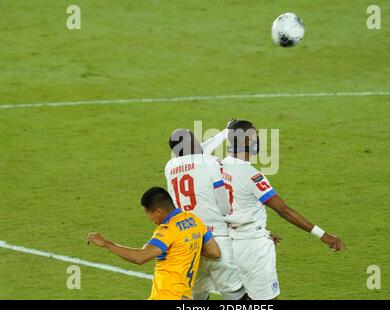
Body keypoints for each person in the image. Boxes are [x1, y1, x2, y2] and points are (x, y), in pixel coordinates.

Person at [208, 119, 344, 300]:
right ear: (246, 142)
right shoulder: (252, 176)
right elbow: (284, 210)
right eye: (255, 137)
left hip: (230, 244)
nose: (258, 141)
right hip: (253, 248)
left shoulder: (218, 166)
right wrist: (324, 236)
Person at [87, 186, 221, 300]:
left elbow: (140, 257)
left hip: (166, 296)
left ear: (158, 211)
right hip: (185, 296)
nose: (148, 217)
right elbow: (214, 252)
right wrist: (185, 249)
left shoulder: (168, 230)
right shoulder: (194, 220)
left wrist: (106, 243)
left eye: (148, 213)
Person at [165, 128, 246, 300]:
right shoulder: (210, 162)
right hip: (218, 240)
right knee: (237, 298)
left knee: (198, 298)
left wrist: (224, 133)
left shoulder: (170, 167)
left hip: (189, 244)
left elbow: (194, 154)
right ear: (192, 144)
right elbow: (224, 203)